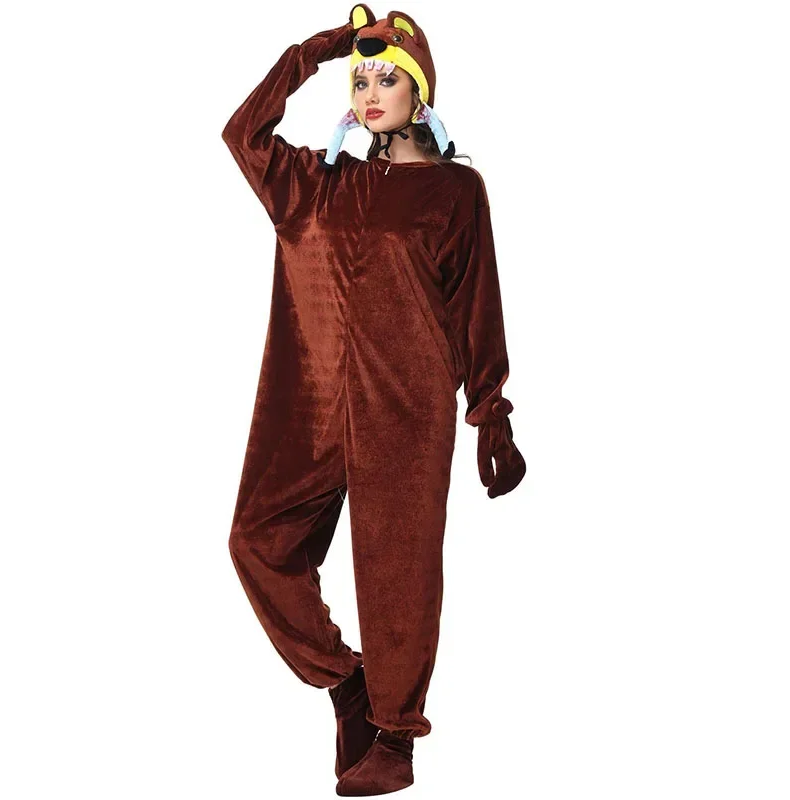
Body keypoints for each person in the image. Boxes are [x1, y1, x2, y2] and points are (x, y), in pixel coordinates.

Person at [221, 5, 526, 796]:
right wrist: (318, 51)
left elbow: (477, 305)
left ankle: (394, 734)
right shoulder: (312, 185)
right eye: (360, 79)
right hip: (308, 402)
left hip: (407, 406)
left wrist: (491, 412)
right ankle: (345, 680)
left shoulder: (455, 192)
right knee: (257, 542)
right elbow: (242, 133)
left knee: (399, 573)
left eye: (387, 77)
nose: (369, 91)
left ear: (420, 93)